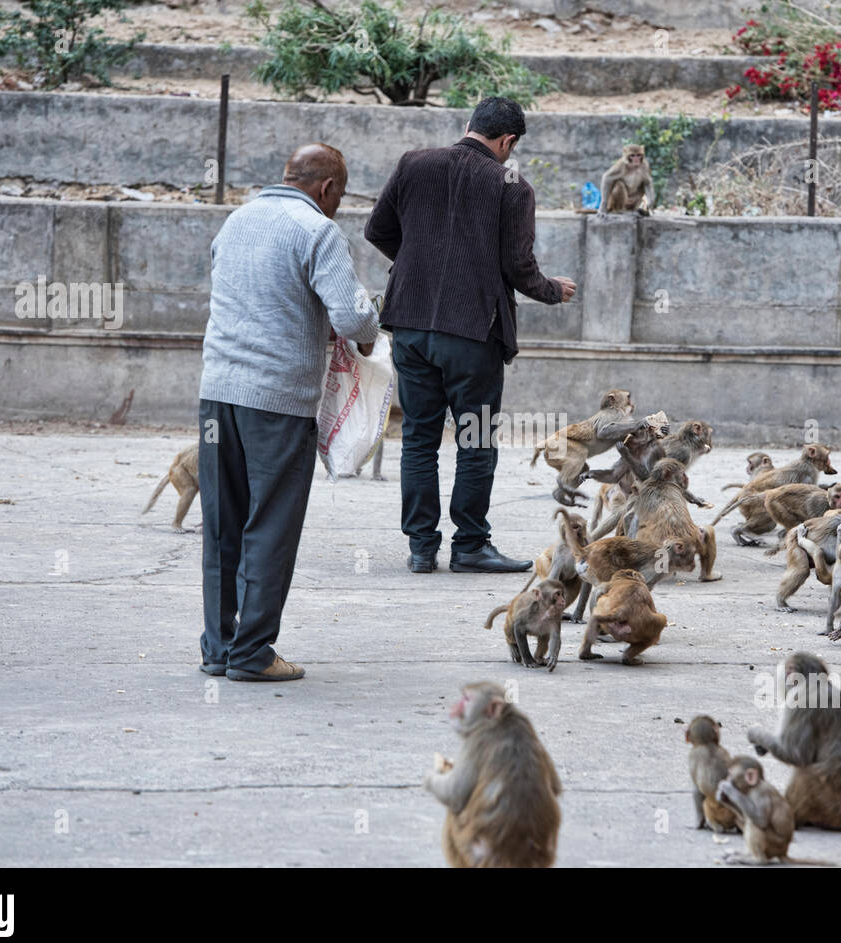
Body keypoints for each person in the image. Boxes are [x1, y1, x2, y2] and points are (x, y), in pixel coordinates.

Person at [364, 96, 577, 574]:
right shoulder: (512, 185)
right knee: (474, 438)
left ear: (468, 125)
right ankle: (470, 546)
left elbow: (377, 230)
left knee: (418, 438)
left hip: (412, 326)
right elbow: (518, 267)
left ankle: (421, 549)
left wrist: (418, 260)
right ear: (508, 142)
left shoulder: (413, 164)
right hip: (473, 332)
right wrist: (551, 291)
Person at [198, 144, 379, 682]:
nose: (338, 206)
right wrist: (369, 332)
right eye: (340, 196)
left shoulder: (236, 220)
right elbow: (352, 318)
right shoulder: (317, 230)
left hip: (216, 392)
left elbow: (254, 297)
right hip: (275, 401)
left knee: (222, 526)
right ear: (326, 189)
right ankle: (252, 654)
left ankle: (218, 647)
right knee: (270, 527)